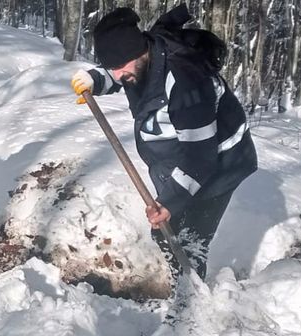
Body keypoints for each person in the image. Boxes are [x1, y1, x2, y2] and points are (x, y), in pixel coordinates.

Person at [71, 5, 258, 280]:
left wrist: (169, 201)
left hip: (221, 163)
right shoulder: (141, 59)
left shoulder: (186, 83)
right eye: (113, 68)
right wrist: (94, 79)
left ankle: (192, 301)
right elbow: (119, 74)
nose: (119, 75)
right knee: (165, 234)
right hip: (180, 156)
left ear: (139, 52)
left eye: (120, 67)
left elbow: (200, 158)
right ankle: (184, 286)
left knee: (188, 244)